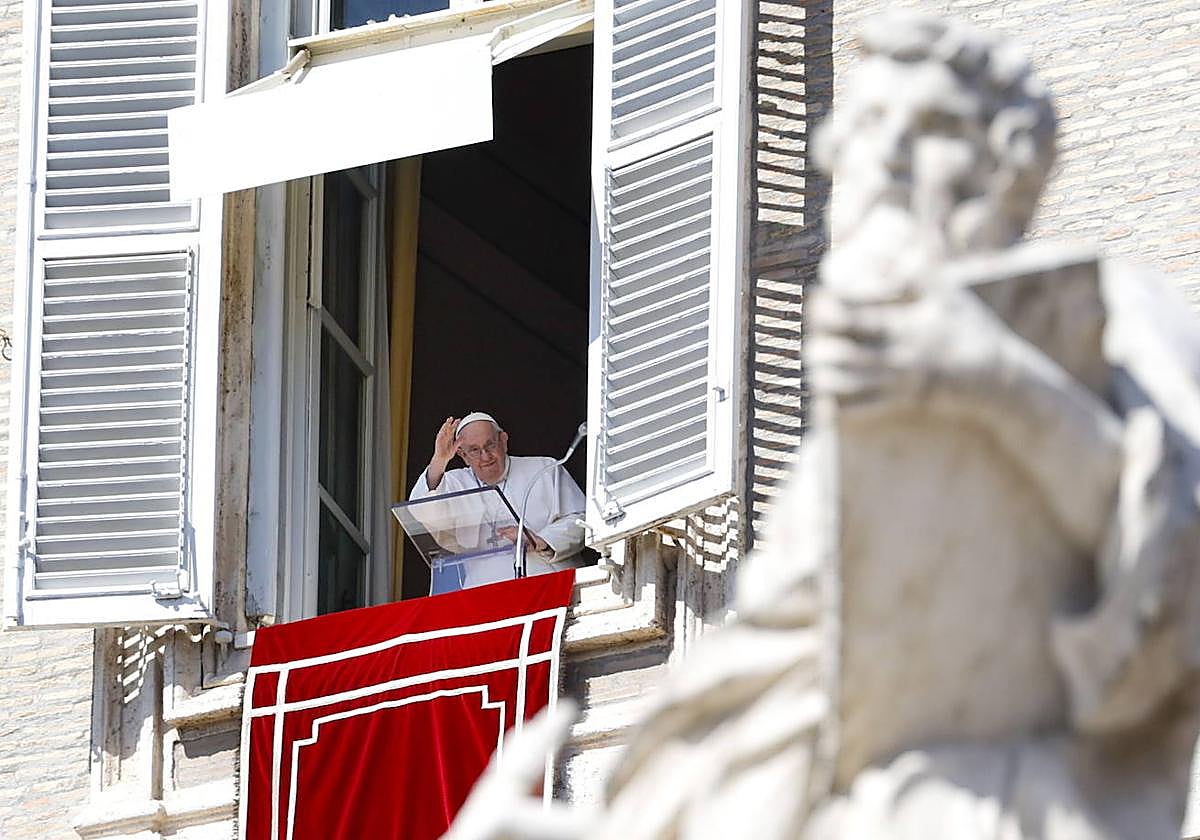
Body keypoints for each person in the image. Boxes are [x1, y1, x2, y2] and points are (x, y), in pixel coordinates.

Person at [410, 412, 586, 585]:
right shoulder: (454, 483)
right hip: (484, 595)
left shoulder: (545, 468)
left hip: (550, 584)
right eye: (474, 450)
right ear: (463, 455)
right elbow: (421, 513)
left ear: (503, 441)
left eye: (490, 445)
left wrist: (541, 541)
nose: (485, 456)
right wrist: (439, 459)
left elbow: (582, 519)